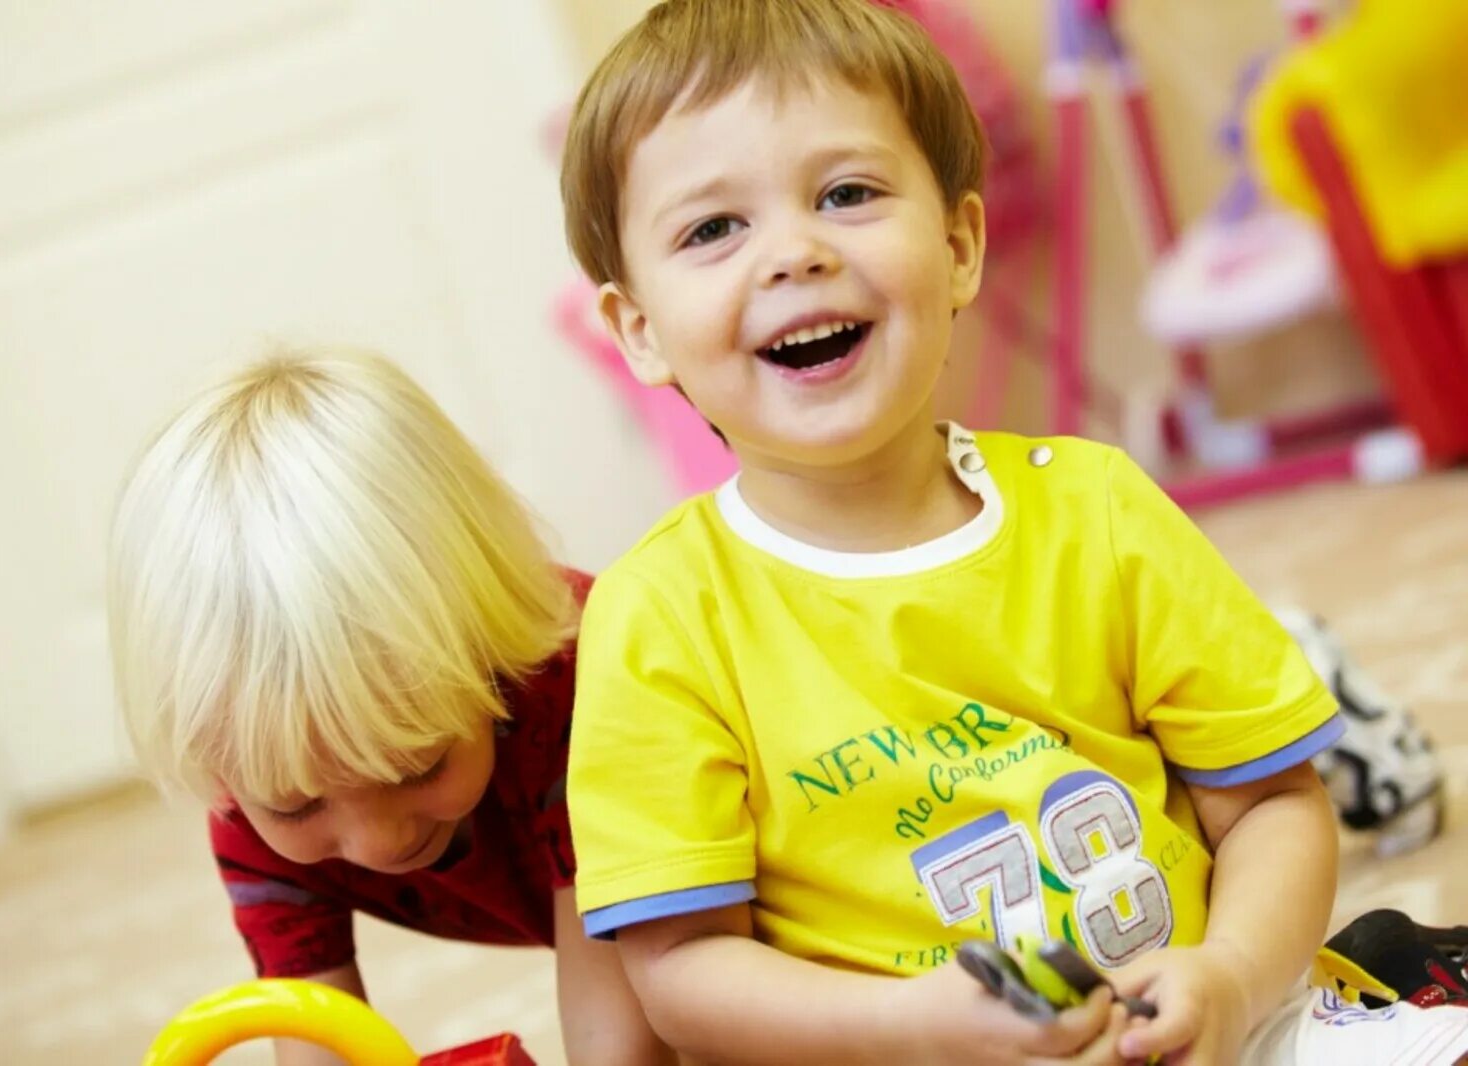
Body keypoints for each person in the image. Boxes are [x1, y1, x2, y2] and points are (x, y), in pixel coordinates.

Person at [557, 1, 1468, 1062]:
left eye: (846, 194)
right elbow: (678, 971)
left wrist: (1230, 974)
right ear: (639, 330)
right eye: (714, 228)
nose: (793, 252)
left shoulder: (1099, 510)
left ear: (956, 246)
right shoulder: (655, 618)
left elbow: (1269, 804)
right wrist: (914, 1029)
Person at [107, 348, 674, 1066]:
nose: (379, 843)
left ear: (481, 644)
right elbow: (315, 1031)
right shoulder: (248, 796)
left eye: (417, 767)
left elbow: (621, 1036)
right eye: (297, 808)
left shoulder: (583, 687)